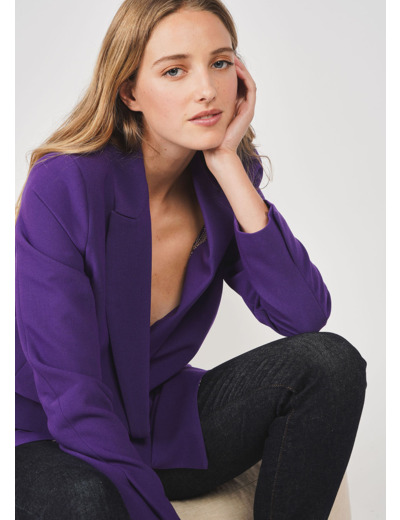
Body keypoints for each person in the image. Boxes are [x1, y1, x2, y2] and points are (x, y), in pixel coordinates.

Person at [15, 0, 368, 519]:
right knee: (90, 499)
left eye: (220, 63)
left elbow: (303, 315)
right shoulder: (64, 184)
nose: (206, 89)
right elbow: (71, 393)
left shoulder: (223, 185)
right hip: (48, 431)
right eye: (175, 70)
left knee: (329, 364)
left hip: (156, 421)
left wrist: (229, 166)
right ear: (129, 91)